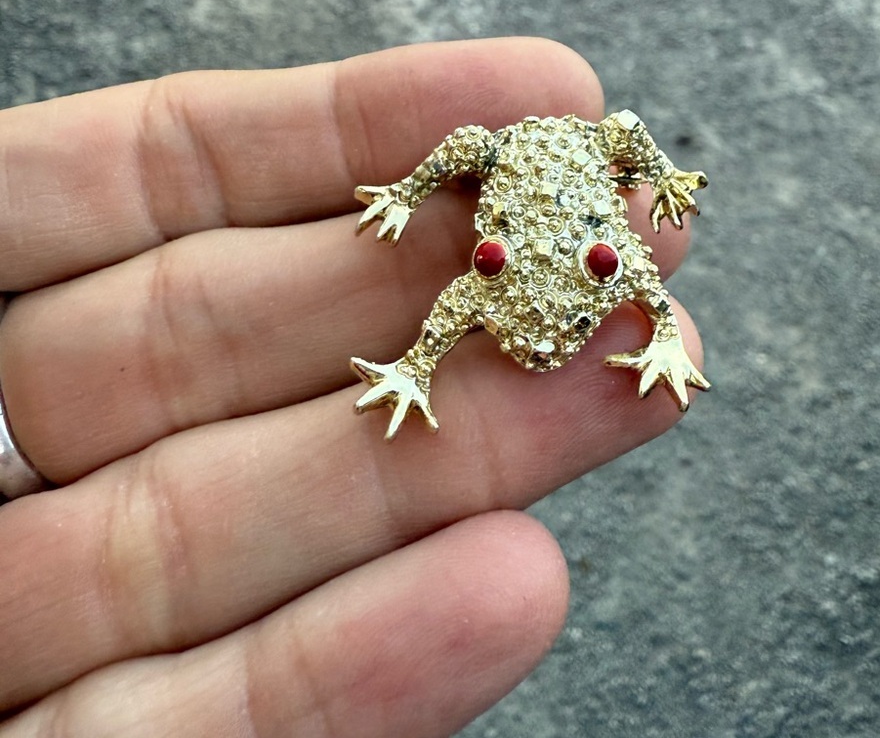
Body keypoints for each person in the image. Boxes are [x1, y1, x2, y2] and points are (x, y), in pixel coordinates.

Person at [0, 37, 704, 737]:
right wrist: (414, 344)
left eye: (567, 329)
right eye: (524, 326)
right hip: (514, 186)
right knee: (472, 145)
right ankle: (409, 186)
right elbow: (462, 296)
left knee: (623, 132)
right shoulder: (488, 283)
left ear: (601, 274)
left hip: (576, 214)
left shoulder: (614, 273)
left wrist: (664, 319)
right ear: (496, 274)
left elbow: (644, 284)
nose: (543, 348)